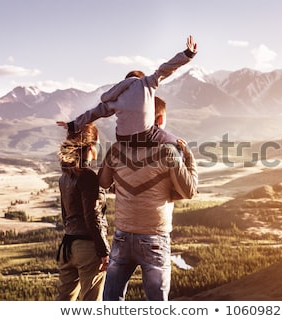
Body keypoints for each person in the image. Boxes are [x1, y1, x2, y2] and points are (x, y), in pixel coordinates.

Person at [98, 100, 198, 301]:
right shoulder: (168, 152)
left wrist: (126, 187)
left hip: (123, 235)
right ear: (159, 120)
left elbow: (103, 181)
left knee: (112, 299)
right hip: (155, 237)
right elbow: (190, 191)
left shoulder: (116, 149)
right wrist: (189, 157)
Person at [56, 35, 197, 146]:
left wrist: (72, 125)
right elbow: (166, 68)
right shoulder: (147, 83)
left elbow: (94, 113)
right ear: (141, 79)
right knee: (176, 143)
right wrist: (187, 55)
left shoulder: (116, 97)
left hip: (122, 139)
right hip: (145, 135)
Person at [56, 122, 110, 301]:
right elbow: (92, 215)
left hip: (67, 247)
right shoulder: (87, 176)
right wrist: (103, 251)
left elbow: (65, 215)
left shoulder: (65, 177)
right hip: (87, 248)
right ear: (90, 146)